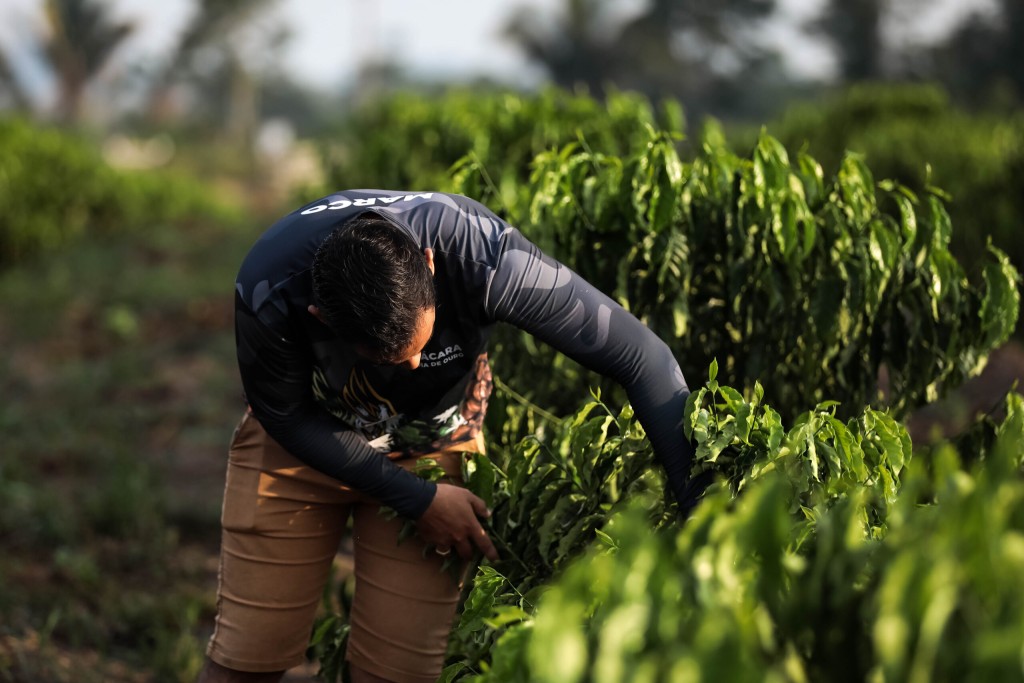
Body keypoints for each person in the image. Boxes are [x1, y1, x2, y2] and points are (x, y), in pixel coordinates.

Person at [198, 189, 697, 683]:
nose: (414, 364)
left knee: (396, 671)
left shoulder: (482, 254)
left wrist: (702, 517)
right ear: (322, 320)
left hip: (434, 450)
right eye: (389, 359)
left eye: (422, 343)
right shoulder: (271, 286)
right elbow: (286, 417)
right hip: (300, 453)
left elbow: (643, 358)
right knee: (245, 658)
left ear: (430, 266)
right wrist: (415, 499)